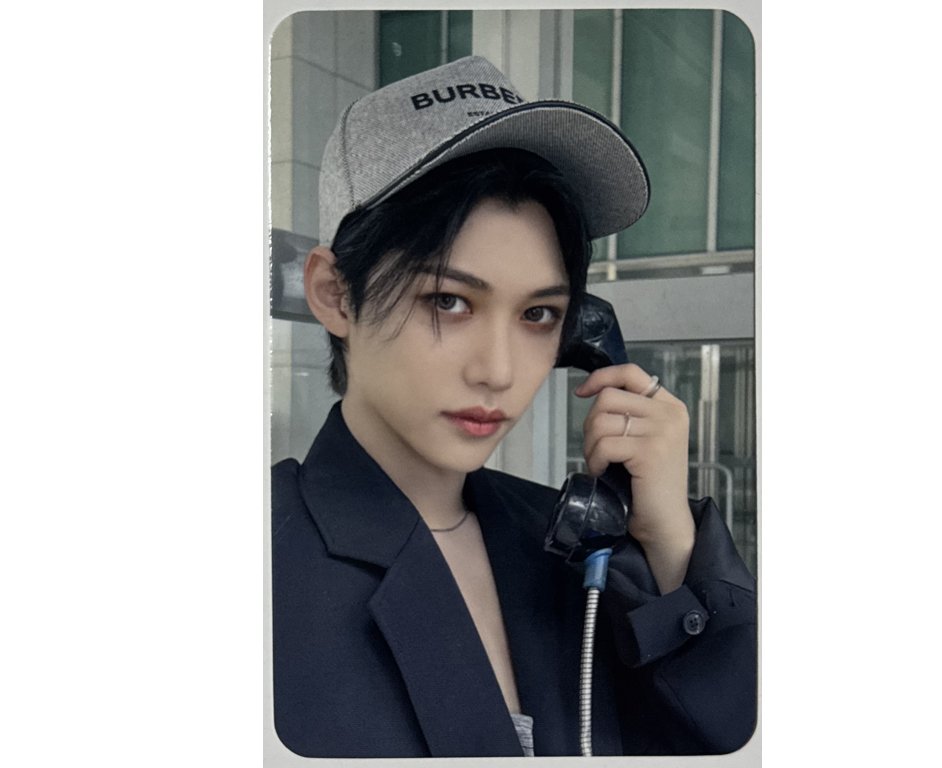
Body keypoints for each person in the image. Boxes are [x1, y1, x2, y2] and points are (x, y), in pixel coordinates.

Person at [271, 55, 756, 758]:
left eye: (538, 315)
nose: (498, 371)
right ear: (336, 295)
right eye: (448, 301)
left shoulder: (572, 553)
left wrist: (673, 547)